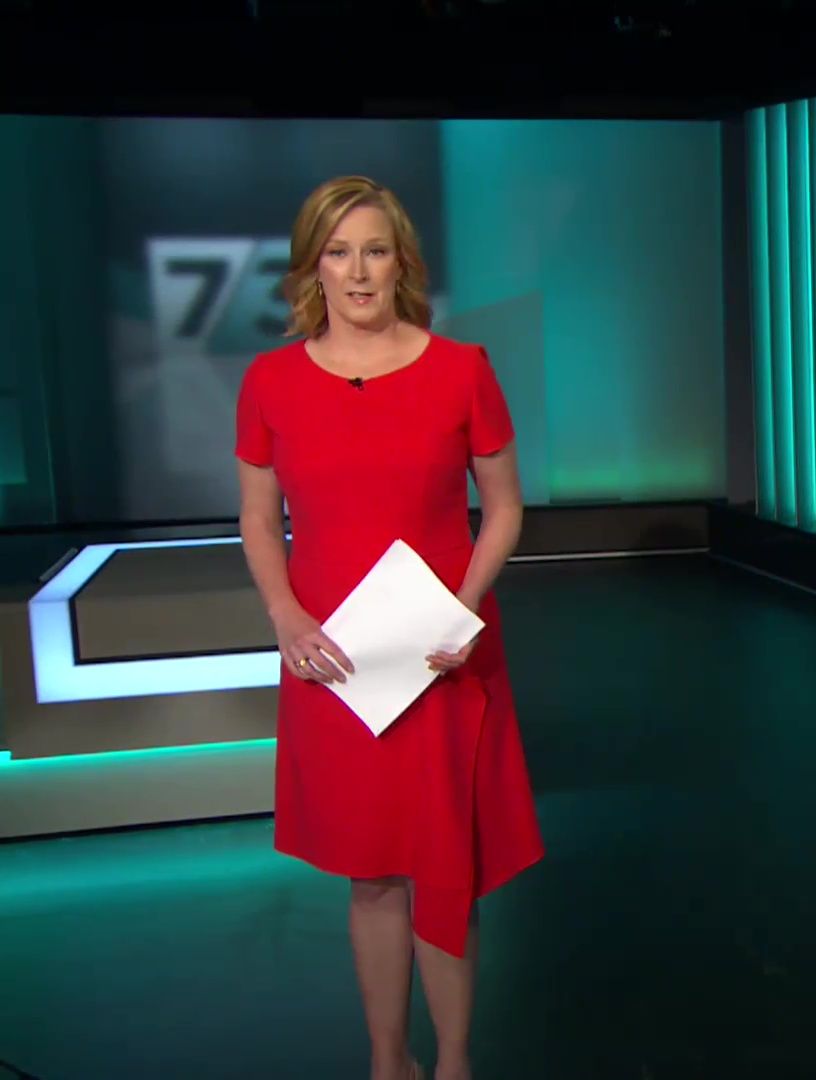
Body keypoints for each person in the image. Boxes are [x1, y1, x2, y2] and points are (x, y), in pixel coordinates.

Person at [235, 175, 544, 1080]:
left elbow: (505, 506)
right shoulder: (270, 381)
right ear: (313, 268)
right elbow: (258, 517)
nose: (359, 271)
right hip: (337, 659)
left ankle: (453, 1062)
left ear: (401, 261)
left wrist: (466, 608)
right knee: (370, 871)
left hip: (441, 654)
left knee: (444, 867)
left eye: (375, 250)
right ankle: (387, 1061)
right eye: (339, 252)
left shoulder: (461, 368)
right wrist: (285, 614)